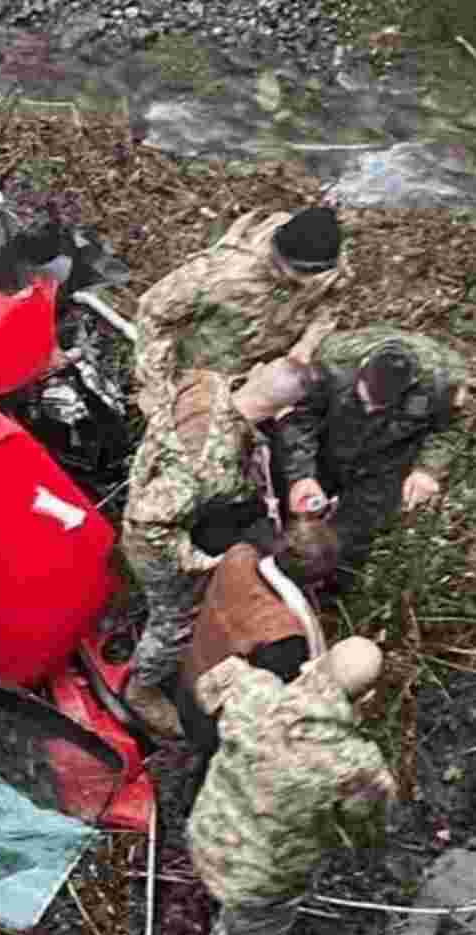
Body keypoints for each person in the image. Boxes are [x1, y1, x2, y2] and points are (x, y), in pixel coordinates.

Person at [160, 636, 397, 935]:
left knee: (227, 895)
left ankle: (215, 907)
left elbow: (203, 693)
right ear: (368, 698)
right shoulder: (357, 764)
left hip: (206, 832)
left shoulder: (252, 687)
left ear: (316, 663)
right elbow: (366, 828)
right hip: (259, 881)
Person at [121, 356, 315, 737]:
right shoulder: (211, 466)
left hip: (152, 480)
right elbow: (148, 520)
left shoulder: (206, 381)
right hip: (153, 536)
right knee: (174, 619)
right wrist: (196, 561)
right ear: (283, 410)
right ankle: (141, 689)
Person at [272, 326, 472, 584]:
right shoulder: (333, 362)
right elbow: (299, 419)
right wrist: (301, 475)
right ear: (361, 370)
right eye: (364, 400)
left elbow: (453, 427)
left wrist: (428, 469)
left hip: (387, 458)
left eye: (380, 406)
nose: (370, 409)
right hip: (330, 442)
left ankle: (329, 594)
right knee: (294, 509)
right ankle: (277, 569)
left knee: (353, 534)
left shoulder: (442, 383)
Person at [133, 207, 344, 417]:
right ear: (279, 255)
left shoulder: (324, 262)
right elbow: (152, 315)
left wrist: (307, 343)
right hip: (189, 372)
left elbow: (331, 302)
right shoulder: (221, 271)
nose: (305, 281)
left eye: (312, 274)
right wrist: (159, 388)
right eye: (296, 273)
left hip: (249, 381)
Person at [176, 514, 341, 760]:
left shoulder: (239, 555)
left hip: (188, 685)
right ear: (316, 581)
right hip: (216, 728)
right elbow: (283, 712)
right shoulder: (284, 637)